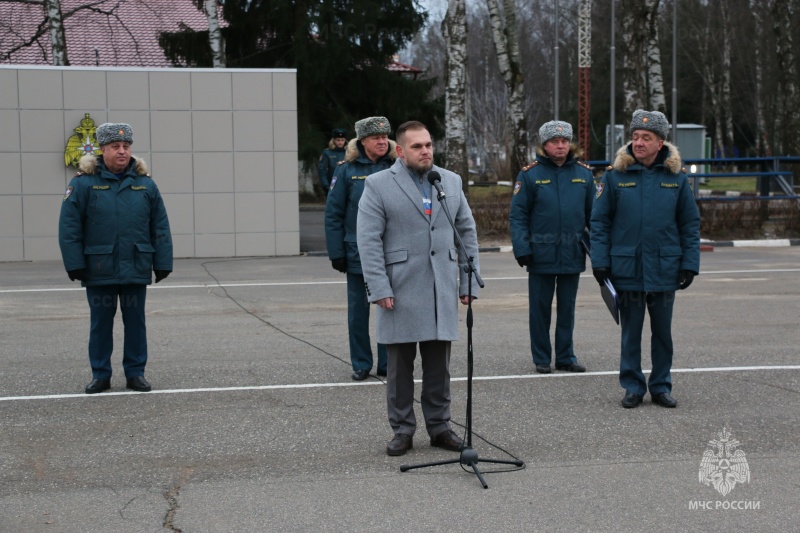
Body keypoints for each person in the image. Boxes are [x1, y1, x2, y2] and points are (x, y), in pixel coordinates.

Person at [357, 120, 480, 457]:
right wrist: (378, 286)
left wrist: (468, 281)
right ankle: (402, 429)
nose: (425, 151)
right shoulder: (378, 184)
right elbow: (368, 241)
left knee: (439, 366)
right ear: (400, 151)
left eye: (428, 145)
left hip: (441, 287)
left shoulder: (449, 181)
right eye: (417, 146)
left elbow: (466, 233)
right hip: (399, 289)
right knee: (399, 368)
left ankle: (440, 427)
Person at [590, 109, 700, 409]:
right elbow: (599, 223)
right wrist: (599, 262)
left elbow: (689, 224)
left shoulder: (675, 179)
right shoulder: (615, 177)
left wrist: (690, 263)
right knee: (631, 333)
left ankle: (661, 386)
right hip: (627, 268)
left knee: (663, 333)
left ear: (660, 143)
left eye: (646, 138)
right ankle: (633, 386)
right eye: (635, 137)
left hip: (665, 268)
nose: (638, 142)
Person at [58, 123, 173, 394]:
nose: (122, 151)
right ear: (103, 150)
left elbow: (160, 226)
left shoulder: (145, 184)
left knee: (136, 323)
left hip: (136, 264)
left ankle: (135, 373)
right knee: (100, 324)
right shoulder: (83, 183)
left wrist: (163, 261)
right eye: (115, 147)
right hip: (99, 267)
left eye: (126, 146)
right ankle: (101, 375)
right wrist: (74, 263)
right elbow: (69, 227)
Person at [509, 120, 594, 374]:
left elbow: (596, 217)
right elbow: (518, 216)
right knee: (540, 310)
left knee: (567, 309)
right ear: (544, 145)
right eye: (555, 142)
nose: (560, 146)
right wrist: (522, 248)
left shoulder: (584, 174)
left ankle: (566, 356)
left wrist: (599, 252)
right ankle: (542, 358)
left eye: (564, 141)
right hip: (540, 253)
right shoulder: (530, 174)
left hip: (572, 251)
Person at [324, 117, 394, 381]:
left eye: (385, 136)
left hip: (392, 252)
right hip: (357, 252)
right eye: (376, 137)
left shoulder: (397, 166)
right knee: (358, 311)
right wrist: (336, 252)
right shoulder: (346, 170)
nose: (381, 141)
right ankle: (361, 363)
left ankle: (389, 363)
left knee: (390, 308)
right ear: (362, 141)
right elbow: (333, 214)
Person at [317, 128, 347, 195]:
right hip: (332, 182)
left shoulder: (349, 152)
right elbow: (322, 170)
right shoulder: (327, 153)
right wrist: (326, 186)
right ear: (334, 140)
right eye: (338, 140)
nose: (340, 142)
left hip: (346, 183)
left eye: (342, 140)